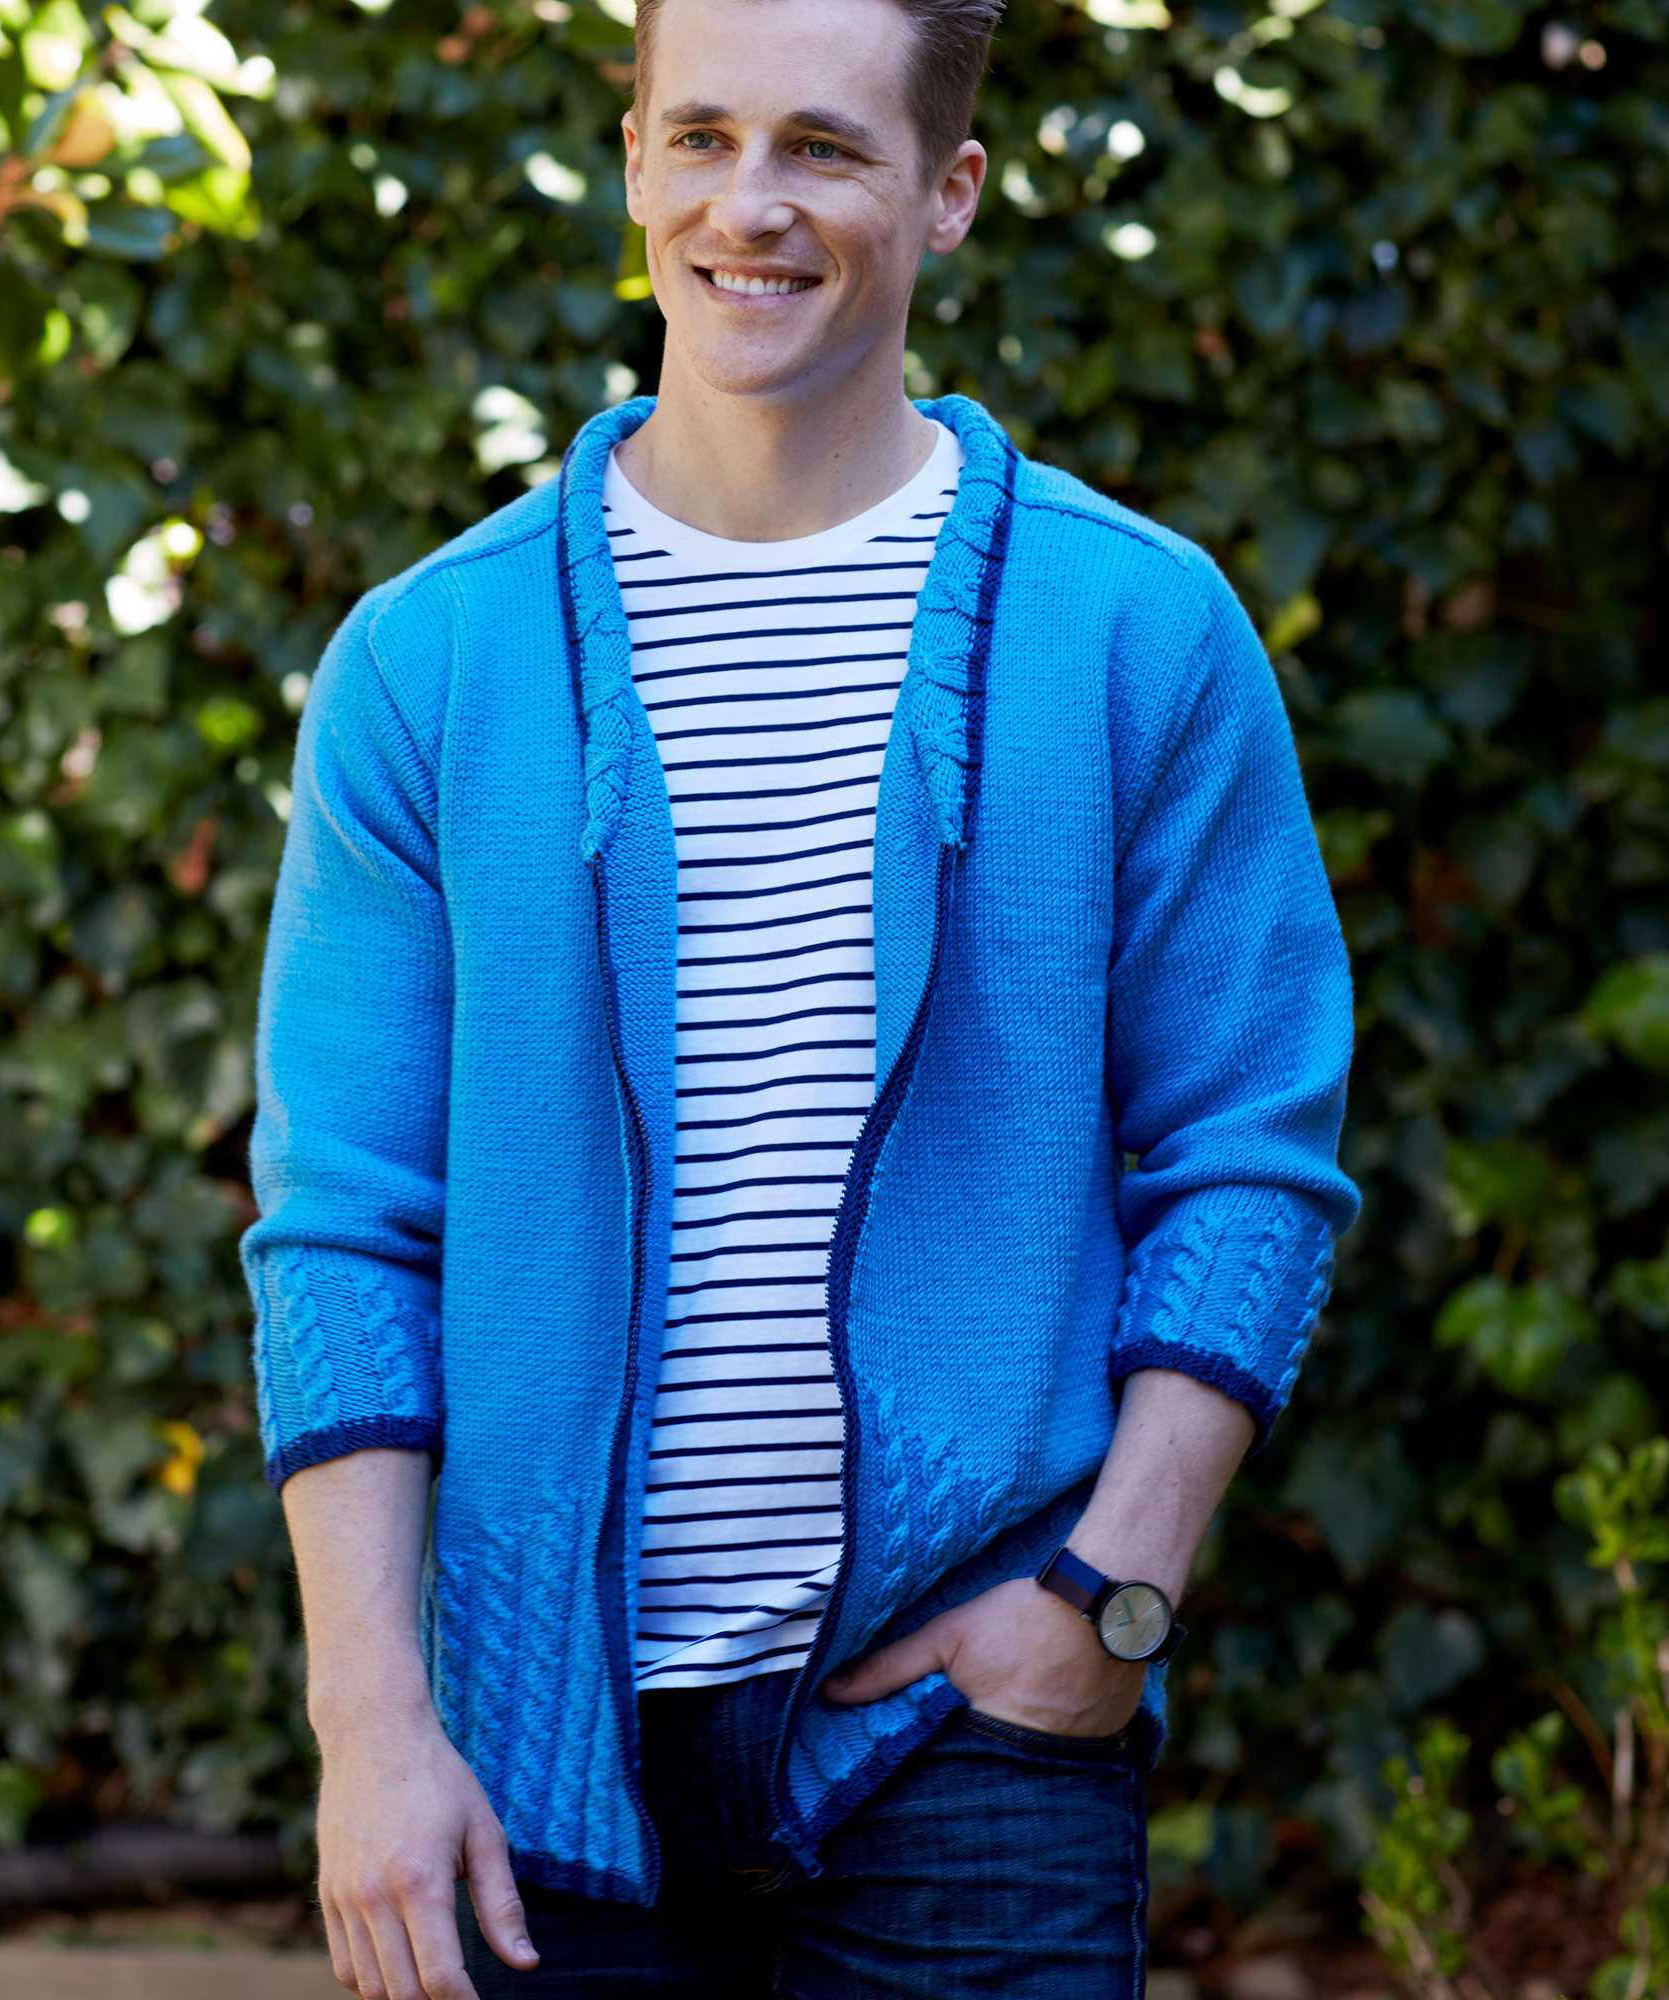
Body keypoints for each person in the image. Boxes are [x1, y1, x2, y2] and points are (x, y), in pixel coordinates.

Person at [237, 0, 1362, 1991]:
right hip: (520, 1763)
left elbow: (1252, 1158)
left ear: (950, 193)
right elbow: (343, 1230)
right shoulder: (429, 662)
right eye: (700, 136)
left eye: (825, 149)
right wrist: (370, 1723)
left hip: (969, 1747)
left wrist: (1108, 1605)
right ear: (632, 160)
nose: (746, 205)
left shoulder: (1135, 629)